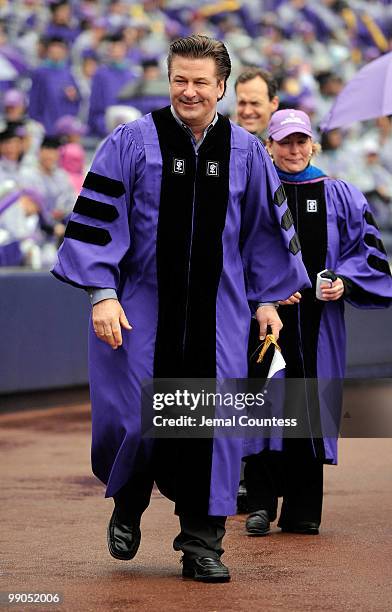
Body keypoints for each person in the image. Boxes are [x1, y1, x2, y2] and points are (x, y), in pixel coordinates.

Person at [52, 35, 309, 582]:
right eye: (179, 79)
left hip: (220, 311)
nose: (188, 91)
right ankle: (128, 499)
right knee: (129, 415)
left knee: (209, 425)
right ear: (169, 79)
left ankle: (201, 543)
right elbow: (96, 221)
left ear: (221, 87)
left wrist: (267, 301)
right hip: (140, 304)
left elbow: (265, 235)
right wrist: (102, 293)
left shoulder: (245, 153)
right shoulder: (129, 143)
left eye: (200, 82)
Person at [243, 109, 392, 537]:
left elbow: (366, 254)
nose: (293, 150)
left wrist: (342, 281)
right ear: (268, 146)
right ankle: (259, 502)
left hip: (318, 321)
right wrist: (263, 294)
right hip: (264, 319)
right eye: (284, 142)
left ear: (313, 145)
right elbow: (235, 252)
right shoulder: (253, 193)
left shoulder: (340, 194)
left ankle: (303, 507)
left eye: (300, 141)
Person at [235, 67, 279, 143]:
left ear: (274, 103)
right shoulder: (221, 141)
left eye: (255, 103)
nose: (247, 112)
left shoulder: (286, 144)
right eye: (242, 103)